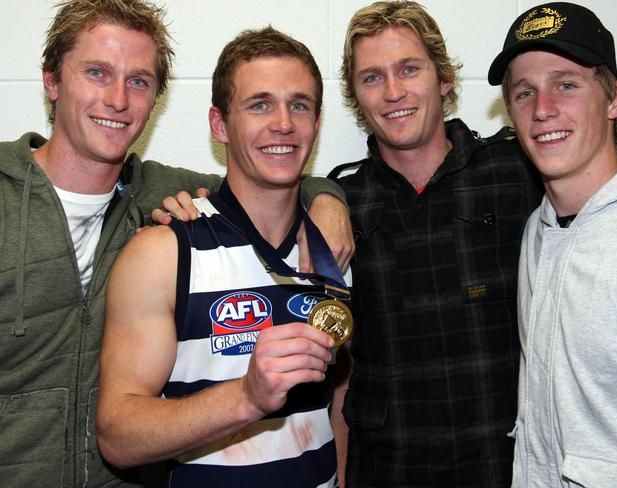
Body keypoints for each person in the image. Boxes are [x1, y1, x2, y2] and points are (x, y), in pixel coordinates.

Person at [0, 1, 351, 486]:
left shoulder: (157, 189)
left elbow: (272, 172)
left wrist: (331, 201)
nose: (118, 98)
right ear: (52, 81)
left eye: (139, 81)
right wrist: (246, 396)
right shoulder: (162, 246)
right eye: (97, 72)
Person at [96, 27, 352, 487]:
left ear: (316, 120)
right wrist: (248, 398)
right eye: (259, 104)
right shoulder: (164, 252)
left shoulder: (332, 252)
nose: (283, 123)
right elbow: (117, 434)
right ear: (220, 125)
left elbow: (336, 407)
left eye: (300, 105)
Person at [328, 1, 543, 486]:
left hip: (506, 465)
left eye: (409, 69)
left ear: (443, 78)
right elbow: (340, 368)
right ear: (356, 95)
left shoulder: (517, 171)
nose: (393, 92)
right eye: (372, 78)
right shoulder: (339, 203)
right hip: (385, 468)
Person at [488, 3, 617, 487]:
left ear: (616, 98)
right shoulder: (537, 230)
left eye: (566, 84)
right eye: (524, 92)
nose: (542, 110)